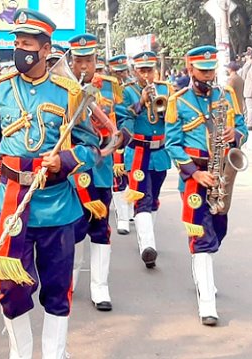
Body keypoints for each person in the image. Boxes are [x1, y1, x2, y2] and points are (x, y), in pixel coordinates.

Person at [0, 9, 100, 358]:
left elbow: (93, 145)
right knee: (11, 289)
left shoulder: (69, 91)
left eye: (26, 44)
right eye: (16, 43)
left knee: (58, 290)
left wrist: (67, 161)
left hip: (56, 206)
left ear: (45, 50)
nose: (19, 50)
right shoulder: (1, 89)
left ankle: (54, 354)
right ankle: (20, 354)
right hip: (11, 201)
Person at [165, 45, 248, 326]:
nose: (209, 76)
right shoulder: (178, 101)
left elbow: (244, 129)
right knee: (201, 238)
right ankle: (207, 305)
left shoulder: (226, 96)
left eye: (212, 70)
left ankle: (205, 275)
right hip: (194, 179)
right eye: (203, 70)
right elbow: (172, 144)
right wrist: (192, 173)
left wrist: (235, 133)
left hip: (221, 173)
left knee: (219, 231)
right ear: (190, 69)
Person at [67, 33, 124, 312]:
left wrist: (121, 136)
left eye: (88, 60)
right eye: (78, 61)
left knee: (101, 229)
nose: (83, 67)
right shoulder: (64, 88)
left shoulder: (110, 89)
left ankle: (101, 287)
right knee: (75, 228)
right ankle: (70, 280)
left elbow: (124, 121)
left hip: (101, 169)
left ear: (95, 60)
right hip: (76, 169)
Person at [119, 51, 173, 269]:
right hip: (138, 152)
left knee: (155, 197)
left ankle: (146, 238)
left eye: (149, 70)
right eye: (142, 70)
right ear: (134, 71)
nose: (146, 75)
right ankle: (148, 247)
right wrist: (140, 102)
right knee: (143, 197)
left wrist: (167, 108)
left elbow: (174, 119)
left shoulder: (166, 89)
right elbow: (123, 117)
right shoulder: (127, 92)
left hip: (159, 153)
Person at [108, 54, 135, 235]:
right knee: (117, 181)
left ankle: (132, 210)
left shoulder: (134, 89)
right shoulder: (105, 89)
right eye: (117, 73)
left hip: (133, 138)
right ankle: (122, 218)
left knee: (133, 178)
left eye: (123, 72)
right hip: (114, 138)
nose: (121, 76)